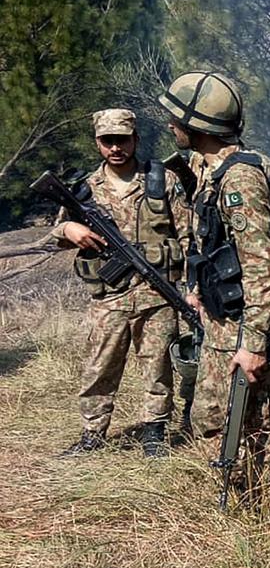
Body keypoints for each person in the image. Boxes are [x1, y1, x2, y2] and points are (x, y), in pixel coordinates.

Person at [158, 71, 270, 476]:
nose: (171, 126)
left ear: (199, 126)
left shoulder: (239, 180)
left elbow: (262, 268)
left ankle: (251, 508)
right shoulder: (210, 167)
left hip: (240, 328)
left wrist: (252, 345)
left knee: (239, 428)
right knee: (214, 421)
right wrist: (197, 288)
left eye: (178, 120)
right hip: (220, 322)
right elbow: (210, 240)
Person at [55, 109, 190, 457]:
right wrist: (69, 229)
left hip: (158, 293)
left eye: (122, 140)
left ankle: (154, 432)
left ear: (135, 140)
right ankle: (93, 433)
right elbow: (56, 232)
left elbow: (188, 237)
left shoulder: (162, 181)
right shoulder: (84, 189)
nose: (115, 148)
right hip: (109, 297)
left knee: (157, 367)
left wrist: (192, 289)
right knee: (100, 366)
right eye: (107, 141)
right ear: (98, 143)